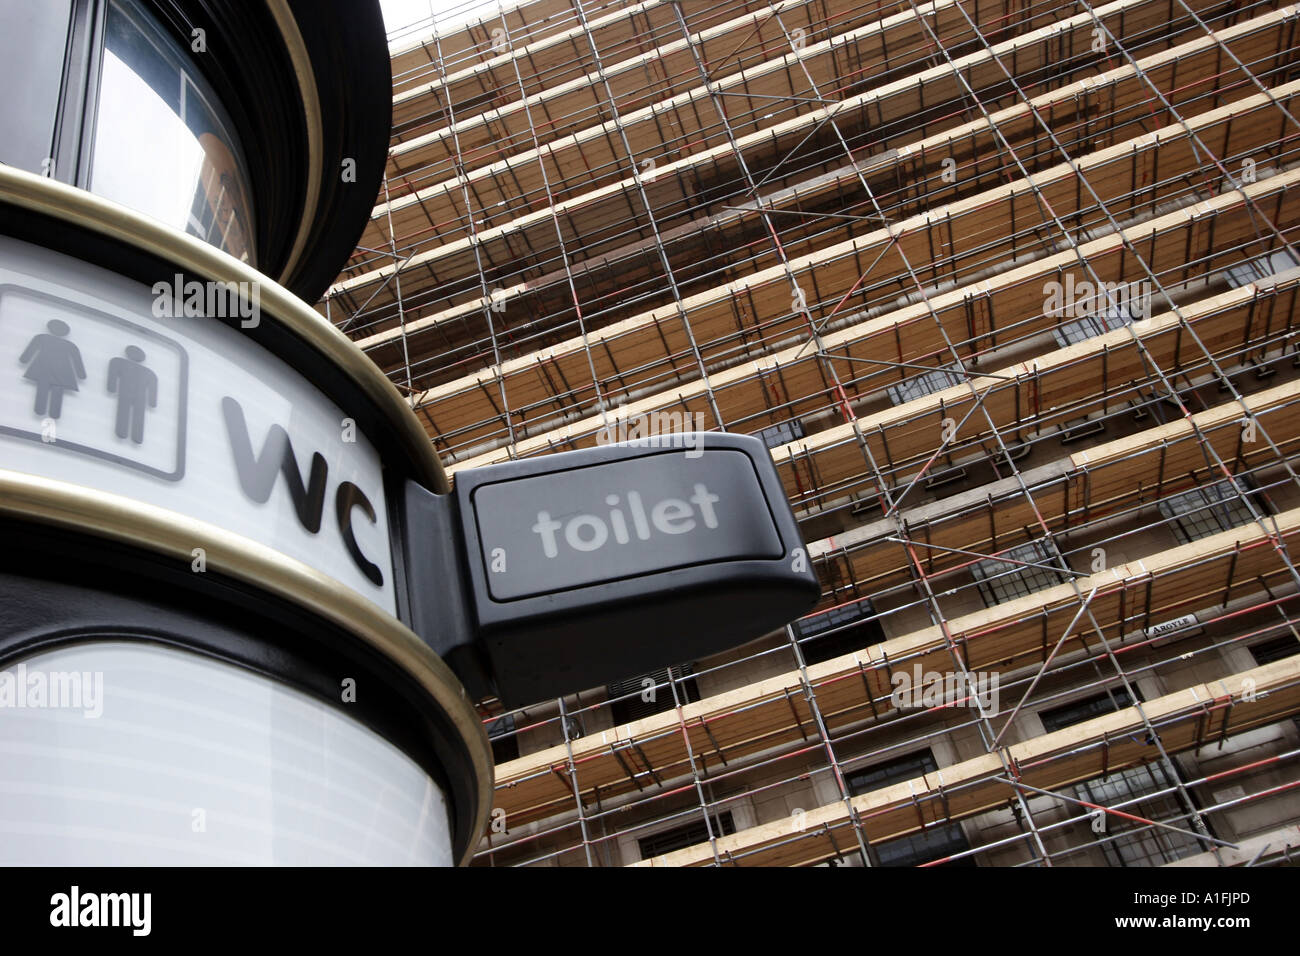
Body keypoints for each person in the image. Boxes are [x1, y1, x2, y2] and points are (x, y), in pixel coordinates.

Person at [19, 319, 86, 419]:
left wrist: (24, 359)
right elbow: (77, 362)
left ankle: (41, 410)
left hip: (43, 370)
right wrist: (81, 374)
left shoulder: (41, 338)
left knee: (43, 388)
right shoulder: (70, 346)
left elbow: (27, 355)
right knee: (56, 391)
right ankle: (53, 413)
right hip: (62, 373)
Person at [107, 345, 158, 445]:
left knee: (132, 414)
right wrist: (111, 387)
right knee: (127, 412)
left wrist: (152, 402)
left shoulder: (119, 362)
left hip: (134, 395)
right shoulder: (119, 362)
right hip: (130, 394)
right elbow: (112, 374)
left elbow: (153, 386)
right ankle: (125, 433)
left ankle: (133, 436)